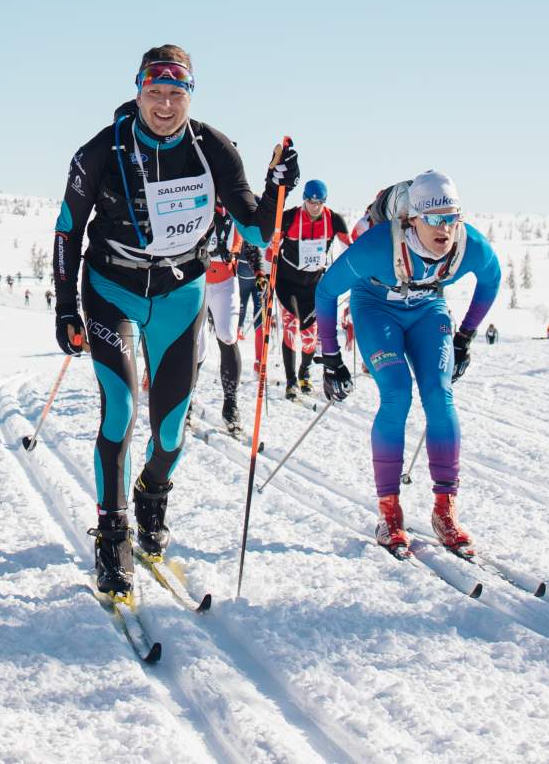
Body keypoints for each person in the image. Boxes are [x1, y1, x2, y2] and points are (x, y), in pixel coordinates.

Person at [51, 46, 297, 597]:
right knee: (119, 408)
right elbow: (68, 229)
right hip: (111, 287)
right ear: (138, 90)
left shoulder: (214, 150)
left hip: (180, 292)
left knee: (169, 429)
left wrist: (279, 186)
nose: (164, 105)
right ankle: (112, 534)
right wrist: (67, 305)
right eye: (155, 93)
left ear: (191, 94)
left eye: (176, 94)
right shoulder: (100, 151)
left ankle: (151, 492)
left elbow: (257, 231)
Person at [311, 170, 502, 556]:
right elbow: (327, 290)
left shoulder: (469, 246)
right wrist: (330, 356)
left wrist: (465, 337)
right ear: (412, 219)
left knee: (439, 394)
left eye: (451, 218)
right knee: (397, 393)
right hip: (376, 307)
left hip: (428, 308)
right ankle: (390, 513)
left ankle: (445, 512)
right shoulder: (380, 246)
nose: (444, 229)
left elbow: (491, 279)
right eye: (433, 219)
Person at [275, 179, 353, 398]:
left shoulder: (334, 220)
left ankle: (304, 372)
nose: (315, 207)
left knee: (309, 335)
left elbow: (352, 248)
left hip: (313, 285)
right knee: (290, 327)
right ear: (305, 200)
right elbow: (271, 246)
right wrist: (265, 272)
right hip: (287, 282)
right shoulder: (290, 217)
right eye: (311, 202)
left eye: (320, 203)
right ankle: (291, 381)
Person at [204, 203, 268, 433]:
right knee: (197, 346)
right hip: (196, 282)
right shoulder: (201, 200)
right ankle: (185, 401)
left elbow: (251, 247)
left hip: (225, 282)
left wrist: (260, 273)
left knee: (228, 335)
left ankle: (230, 403)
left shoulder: (237, 210)